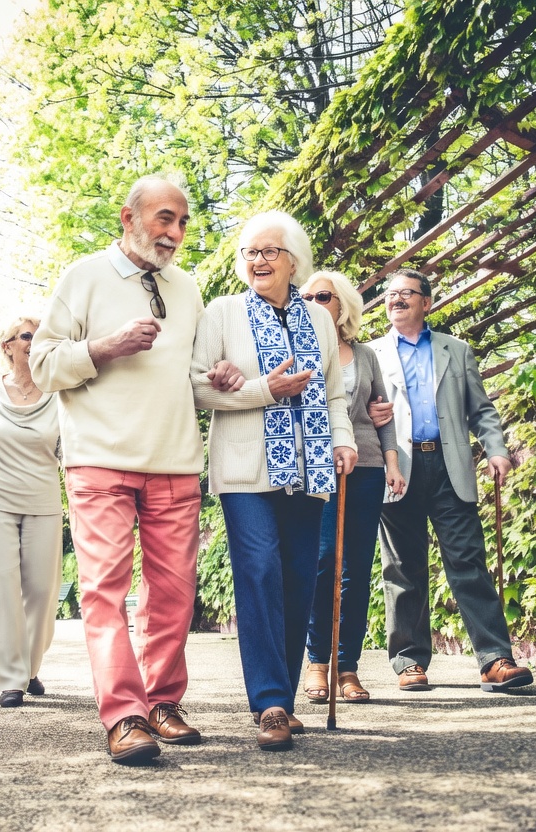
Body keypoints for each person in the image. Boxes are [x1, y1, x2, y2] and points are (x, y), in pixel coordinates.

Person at [29, 175, 243, 765]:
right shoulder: (84, 276)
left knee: (174, 595)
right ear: (129, 217)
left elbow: (193, 376)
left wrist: (218, 379)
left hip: (174, 459)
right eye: (164, 219)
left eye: (182, 223)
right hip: (100, 460)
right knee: (104, 591)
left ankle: (162, 702)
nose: (174, 234)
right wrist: (104, 347)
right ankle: (123, 715)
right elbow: (43, 364)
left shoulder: (189, 288)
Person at [191, 211, 357, 751]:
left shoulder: (321, 321)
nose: (256, 261)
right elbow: (197, 388)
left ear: (293, 261)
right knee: (259, 569)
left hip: (309, 467)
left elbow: (334, 393)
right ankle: (269, 703)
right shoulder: (221, 313)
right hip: (244, 471)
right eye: (249, 253)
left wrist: (343, 439)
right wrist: (265, 388)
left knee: (298, 577)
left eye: (268, 252)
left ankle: (282, 697)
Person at [367, 268, 533, 693]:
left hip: (448, 465)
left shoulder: (456, 350)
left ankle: (495, 659)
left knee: (467, 560)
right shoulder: (370, 353)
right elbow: (356, 411)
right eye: (391, 293)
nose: (396, 299)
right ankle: (408, 661)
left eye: (407, 293)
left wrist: (496, 448)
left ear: (427, 302)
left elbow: (481, 410)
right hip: (396, 467)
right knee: (402, 567)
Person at [299, 270, 405, 705]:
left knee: (355, 570)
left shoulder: (364, 356)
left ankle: (348, 668)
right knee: (323, 562)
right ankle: (316, 663)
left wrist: (393, 463)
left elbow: (382, 411)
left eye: (321, 296)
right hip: (316, 467)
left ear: (341, 304)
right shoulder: (297, 348)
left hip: (365, 467)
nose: (312, 302)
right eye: (304, 296)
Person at [0, 316, 62, 709]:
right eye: (27, 336)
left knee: (40, 590)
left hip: (42, 499)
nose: (35, 343)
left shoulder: (59, 393)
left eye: (41, 337)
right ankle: (10, 679)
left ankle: (29, 667)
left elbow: (67, 449)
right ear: (8, 346)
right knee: (1, 587)